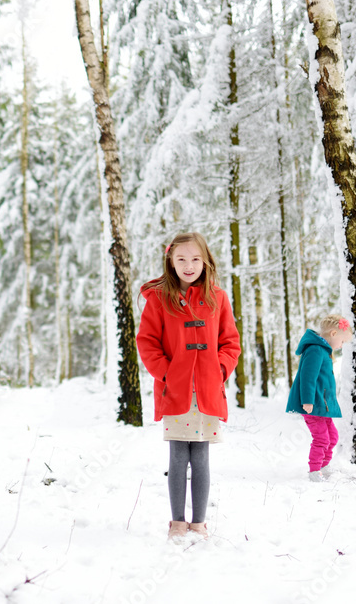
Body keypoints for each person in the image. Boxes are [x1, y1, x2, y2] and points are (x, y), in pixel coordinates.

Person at [136, 232, 242, 542]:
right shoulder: (159, 299)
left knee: (202, 458)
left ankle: (199, 523)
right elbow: (147, 342)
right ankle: (177, 522)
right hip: (176, 391)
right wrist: (168, 374)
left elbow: (230, 342)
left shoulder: (217, 298)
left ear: (206, 261)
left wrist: (219, 369)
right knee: (178, 457)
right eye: (181, 258)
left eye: (195, 258)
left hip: (208, 391)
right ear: (170, 260)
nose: (188, 265)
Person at [285, 314, 352, 482]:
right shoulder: (315, 350)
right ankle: (315, 471)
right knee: (322, 438)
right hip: (313, 405)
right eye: (342, 341)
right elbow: (308, 377)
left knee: (333, 437)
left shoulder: (323, 351)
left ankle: (324, 466)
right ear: (334, 334)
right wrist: (307, 400)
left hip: (323, 405)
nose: (341, 345)